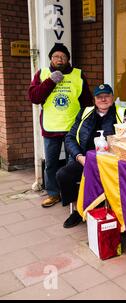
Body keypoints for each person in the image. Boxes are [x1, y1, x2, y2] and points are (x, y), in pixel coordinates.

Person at [28, 43, 93, 208]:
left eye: (63, 57)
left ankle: (70, 194)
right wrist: (50, 81)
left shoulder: (78, 74)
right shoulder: (43, 74)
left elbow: (86, 100)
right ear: (51, 58)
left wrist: (85, 123)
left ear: (68, 59)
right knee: (51, 163)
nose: (60, 59)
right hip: (51, 127)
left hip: (73, 129)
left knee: (72, 164)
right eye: (56, 56)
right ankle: (53, 193)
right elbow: (34, 97)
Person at [56, 84, 126, 228]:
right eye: (99, 97)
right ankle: (77, 210)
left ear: (112, 97)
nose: (103, 99)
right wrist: (79, 157)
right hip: (86, 159)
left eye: (107, 96)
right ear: (94, 99)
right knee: (63, 175)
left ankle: (114, 212)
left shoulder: (123, 113)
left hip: (111, 163)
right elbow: (70, 137)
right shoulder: (84, 113)